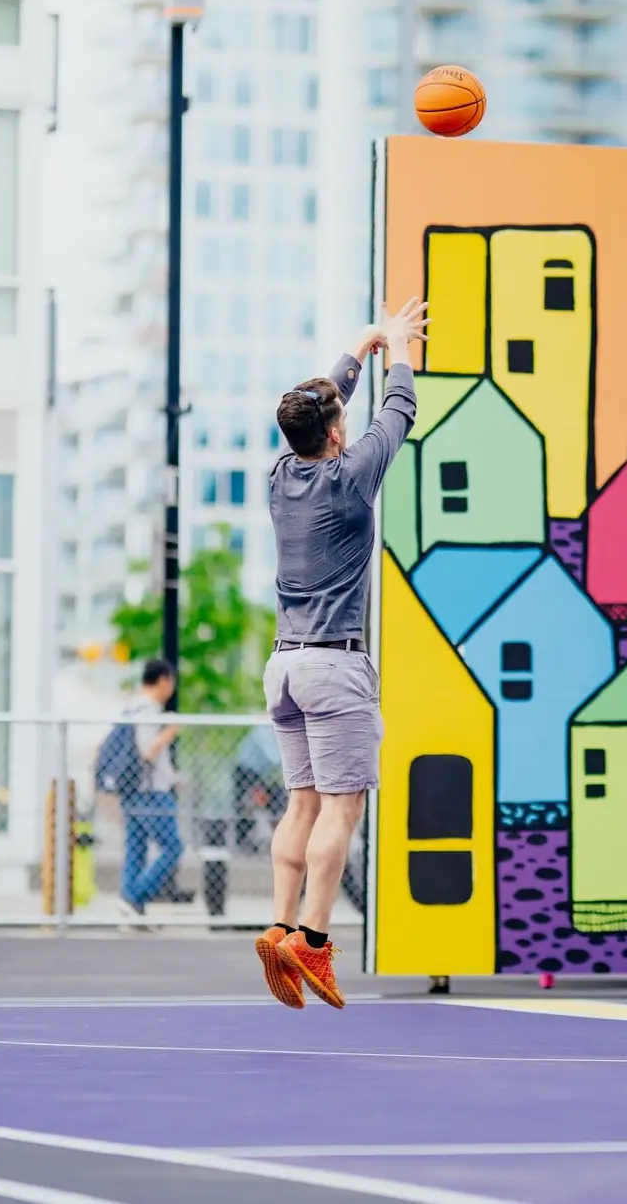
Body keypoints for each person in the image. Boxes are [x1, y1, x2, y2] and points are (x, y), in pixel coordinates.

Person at [254, 297, 426, 1010]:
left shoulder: (279, 475)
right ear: (333, 432)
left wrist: (364, 342)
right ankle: (314, 943)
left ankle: (279, 922)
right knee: (342, 811)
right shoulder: (350, 479)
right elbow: (399, 413)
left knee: (302, 804)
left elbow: (325, 402)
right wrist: (401, 350)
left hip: (284, 666)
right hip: (334, 665)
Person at [115, 658, 184, 920]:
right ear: (164, 680)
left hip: (132, 788)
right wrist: (170, 731)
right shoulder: (147, 711)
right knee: (173, 846)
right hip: (150, 791)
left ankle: (131, 908)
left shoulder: (129, 709)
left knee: (136, 847)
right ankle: (134, 898)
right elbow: (148, 751)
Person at [232, 725, 286, 854]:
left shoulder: (277, 730)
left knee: (277, 800)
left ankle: (279, 838)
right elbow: (275, 758)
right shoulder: (263, 730)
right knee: (245, 806)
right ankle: (243, 841)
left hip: (261, 775)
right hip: (246, 772)